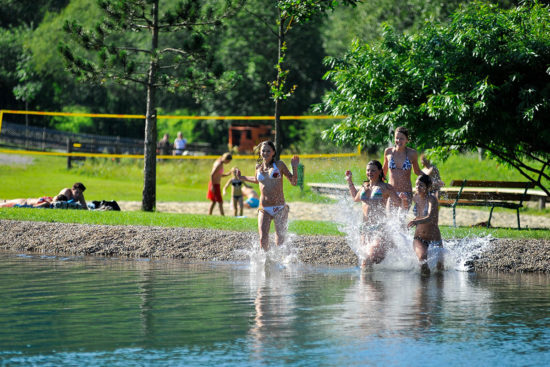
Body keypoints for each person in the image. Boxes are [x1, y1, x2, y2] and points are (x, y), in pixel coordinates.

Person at [237, 141, 299, 251]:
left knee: (280, 240)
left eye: (268, 151)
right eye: (263, 151)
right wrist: (241, 177)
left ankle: (281, 263)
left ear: (273, 152)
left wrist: (294, 167)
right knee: (262, 239)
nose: (265, 153)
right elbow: (256, 180)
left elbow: (293, 182)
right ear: (260, 153)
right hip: (264, 208)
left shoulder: (279, 165)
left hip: (279, 208)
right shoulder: (258, 167)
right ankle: (265, 264)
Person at [345, 160, 403, 267]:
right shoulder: (364, 186)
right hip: (365, 230)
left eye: (373, 170)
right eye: (368, 170)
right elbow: (355, 198)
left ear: (380, 171)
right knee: (365, 263)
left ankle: (390, 247)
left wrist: (401, 199)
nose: (369, 172)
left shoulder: (386, 187)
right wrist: (349, 181)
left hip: (379, 229)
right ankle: (370, 282)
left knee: (368, 260)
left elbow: (399, 203)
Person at [408, 174, 444, 275]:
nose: (417, 188)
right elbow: (403, 205)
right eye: (416, 185)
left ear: (428, 187)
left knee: (440, 271)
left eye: (421, 185)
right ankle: (423, 289)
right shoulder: (415, 198)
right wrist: (403, 200)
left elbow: (430, 217)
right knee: (422, 260)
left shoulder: (432, 199)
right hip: (419, 238)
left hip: (434, 239)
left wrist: (416, 221)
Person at [383, 126, 423, 210]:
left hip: (406, 193)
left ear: (407, 140)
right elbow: (383, 172)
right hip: (391, 192)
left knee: (400, 221)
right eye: (397, 138)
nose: (398, 141)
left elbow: (417, 171)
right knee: (389, 220)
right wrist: (373, 185)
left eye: (401, 138)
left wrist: (431, 179)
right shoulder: (388, 152)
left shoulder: (412, 153)